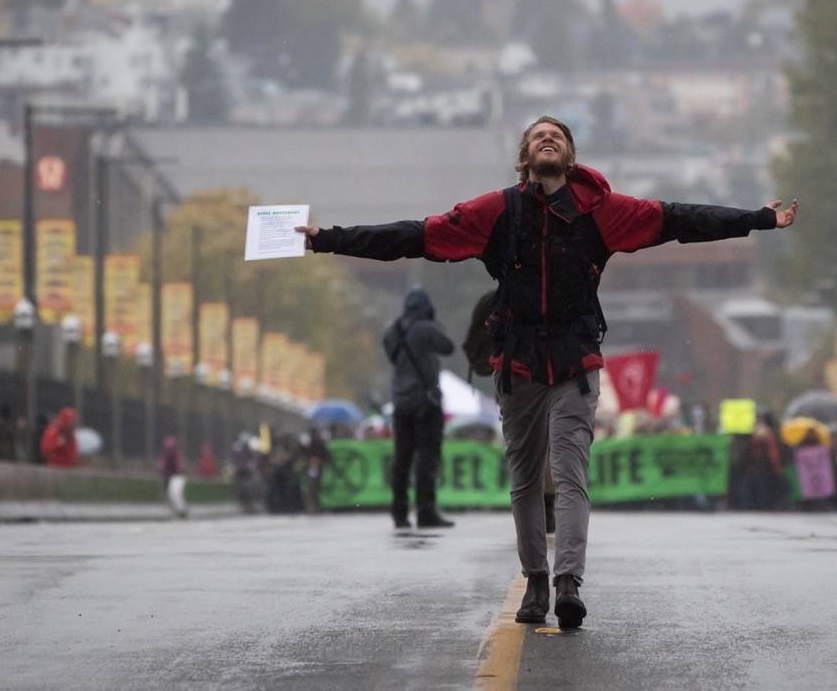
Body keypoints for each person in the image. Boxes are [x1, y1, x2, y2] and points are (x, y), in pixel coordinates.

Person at [297, 115, 798, 629]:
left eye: (556, 134)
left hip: (575, 363)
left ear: (571, 155)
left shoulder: (603, 210)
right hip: (517, 365)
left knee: (570, 473)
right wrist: (327, 239)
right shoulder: (496, 211)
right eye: (538, 135)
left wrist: (757, 219)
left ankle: (567, 582)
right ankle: (535, 579)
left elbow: (679, 221)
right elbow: (415, 236)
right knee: (524, 481)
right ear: (525, 158)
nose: (548, 138)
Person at [382, 288, 456, 529]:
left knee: (402, 458)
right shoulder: (425, 328)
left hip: (400, 402)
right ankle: (426, 512)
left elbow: (393, 357)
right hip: (425, 401)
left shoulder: (391, 331)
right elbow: (448, 346)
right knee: (427, 457)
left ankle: (399, 512)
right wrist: (432, 322)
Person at [302, 428, 334, 514]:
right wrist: (309, 461)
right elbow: (303, 456)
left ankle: (316, 507)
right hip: (310, 469)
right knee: (310, 488)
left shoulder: (320, 445)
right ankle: (311, 507)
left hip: (318, 469)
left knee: (316, 488)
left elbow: (327, 457)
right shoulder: (308, 446)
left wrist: (319, 461)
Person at [158, 436, 188, 517]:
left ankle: (182, 510)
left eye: (171, 447)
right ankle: (176, 511)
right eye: (168, 447)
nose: (169, 449)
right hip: (169, 477)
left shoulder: (177, 455)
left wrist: (179, 468)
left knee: (175, 493)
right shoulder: (164, 455)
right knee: (170, 495)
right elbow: (161, 466)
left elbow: (180, 466)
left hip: (178, 477)